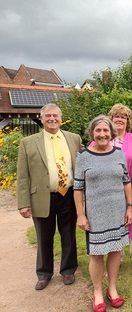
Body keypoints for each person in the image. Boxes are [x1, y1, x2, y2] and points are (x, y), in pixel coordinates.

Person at [17, 103, 83, 290]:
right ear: (41, 118)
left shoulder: (74, 139)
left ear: (61, 119)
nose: (52, 119)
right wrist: (23, 203)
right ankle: (44, 273)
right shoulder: (28, 143)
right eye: (48, 116)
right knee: (44, 236)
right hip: (42, 197)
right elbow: (22, 175)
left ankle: (68, 270)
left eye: (55, 116)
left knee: (68, 234)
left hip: (68, 195)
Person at [74, 115, 132, 312]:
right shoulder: (83, 156)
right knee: (97, 254)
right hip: (95, 214)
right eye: (98, 131)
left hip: (118, 211)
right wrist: (80, 215)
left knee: (116, 250)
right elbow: (78, 189)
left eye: (105, 131)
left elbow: (126, 182)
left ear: (111, 133)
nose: (102, 134)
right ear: (92, 133)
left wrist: (129, 206)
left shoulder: (118, 154)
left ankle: (113, 289)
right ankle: (98, 292)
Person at [106, 104, 132, 270]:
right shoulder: (103, 137)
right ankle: (117, 256)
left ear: (128, 121)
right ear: (111, 119)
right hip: (110, 191)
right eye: (117, 116)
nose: (120, 119)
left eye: (124, 117)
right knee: (114, 223)